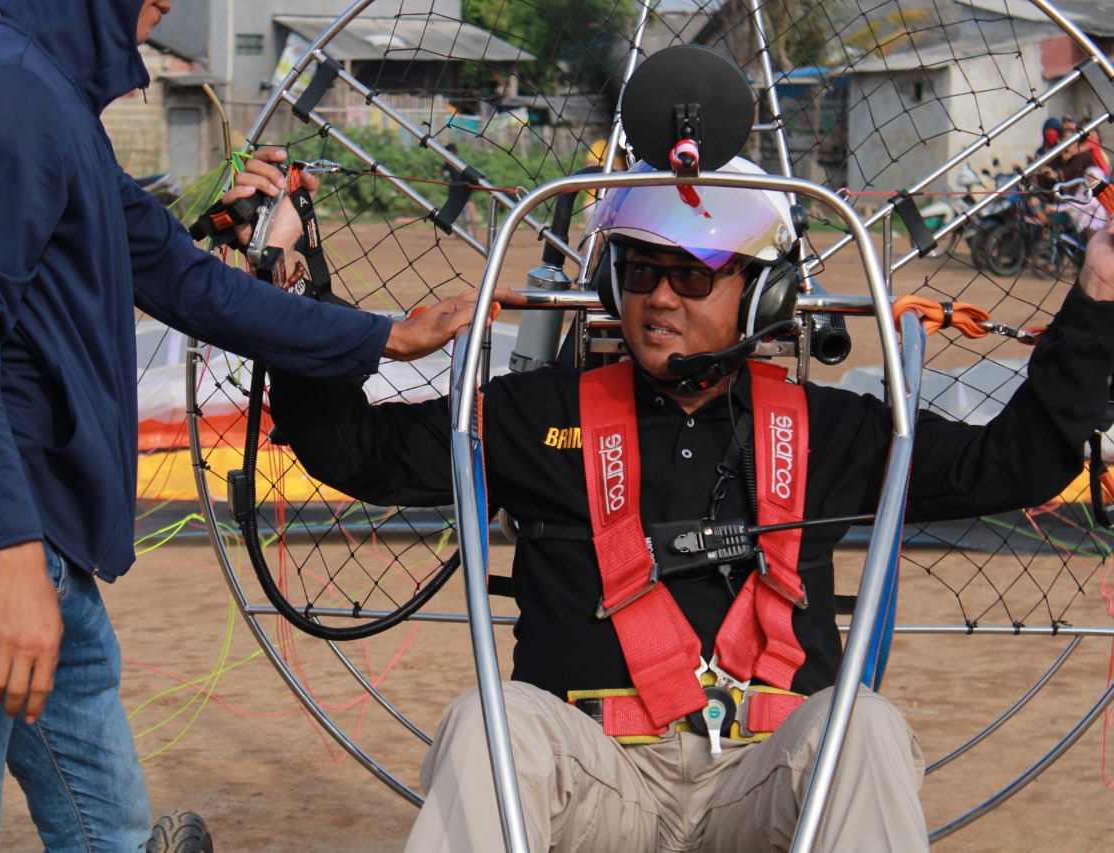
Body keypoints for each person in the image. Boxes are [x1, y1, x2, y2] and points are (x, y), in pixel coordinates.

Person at [268, 157, 1114, 852]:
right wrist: (291, 282)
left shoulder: (837, 427)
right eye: (640, 270)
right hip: (598, 773)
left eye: (693, 274)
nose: (659, 297)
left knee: (861, 726)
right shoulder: (537, 412)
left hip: (764, 782)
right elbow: (355, 451)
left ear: (760, 293)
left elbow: (1017, 464)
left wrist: (1099, 296)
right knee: (494, 723)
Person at [0, 1, 487, 850]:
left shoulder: (57, 104)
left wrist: (385, 335)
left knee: (110, 835)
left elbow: (189, 282)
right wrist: (8, 554)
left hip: (40, 541)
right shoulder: (10, 96)